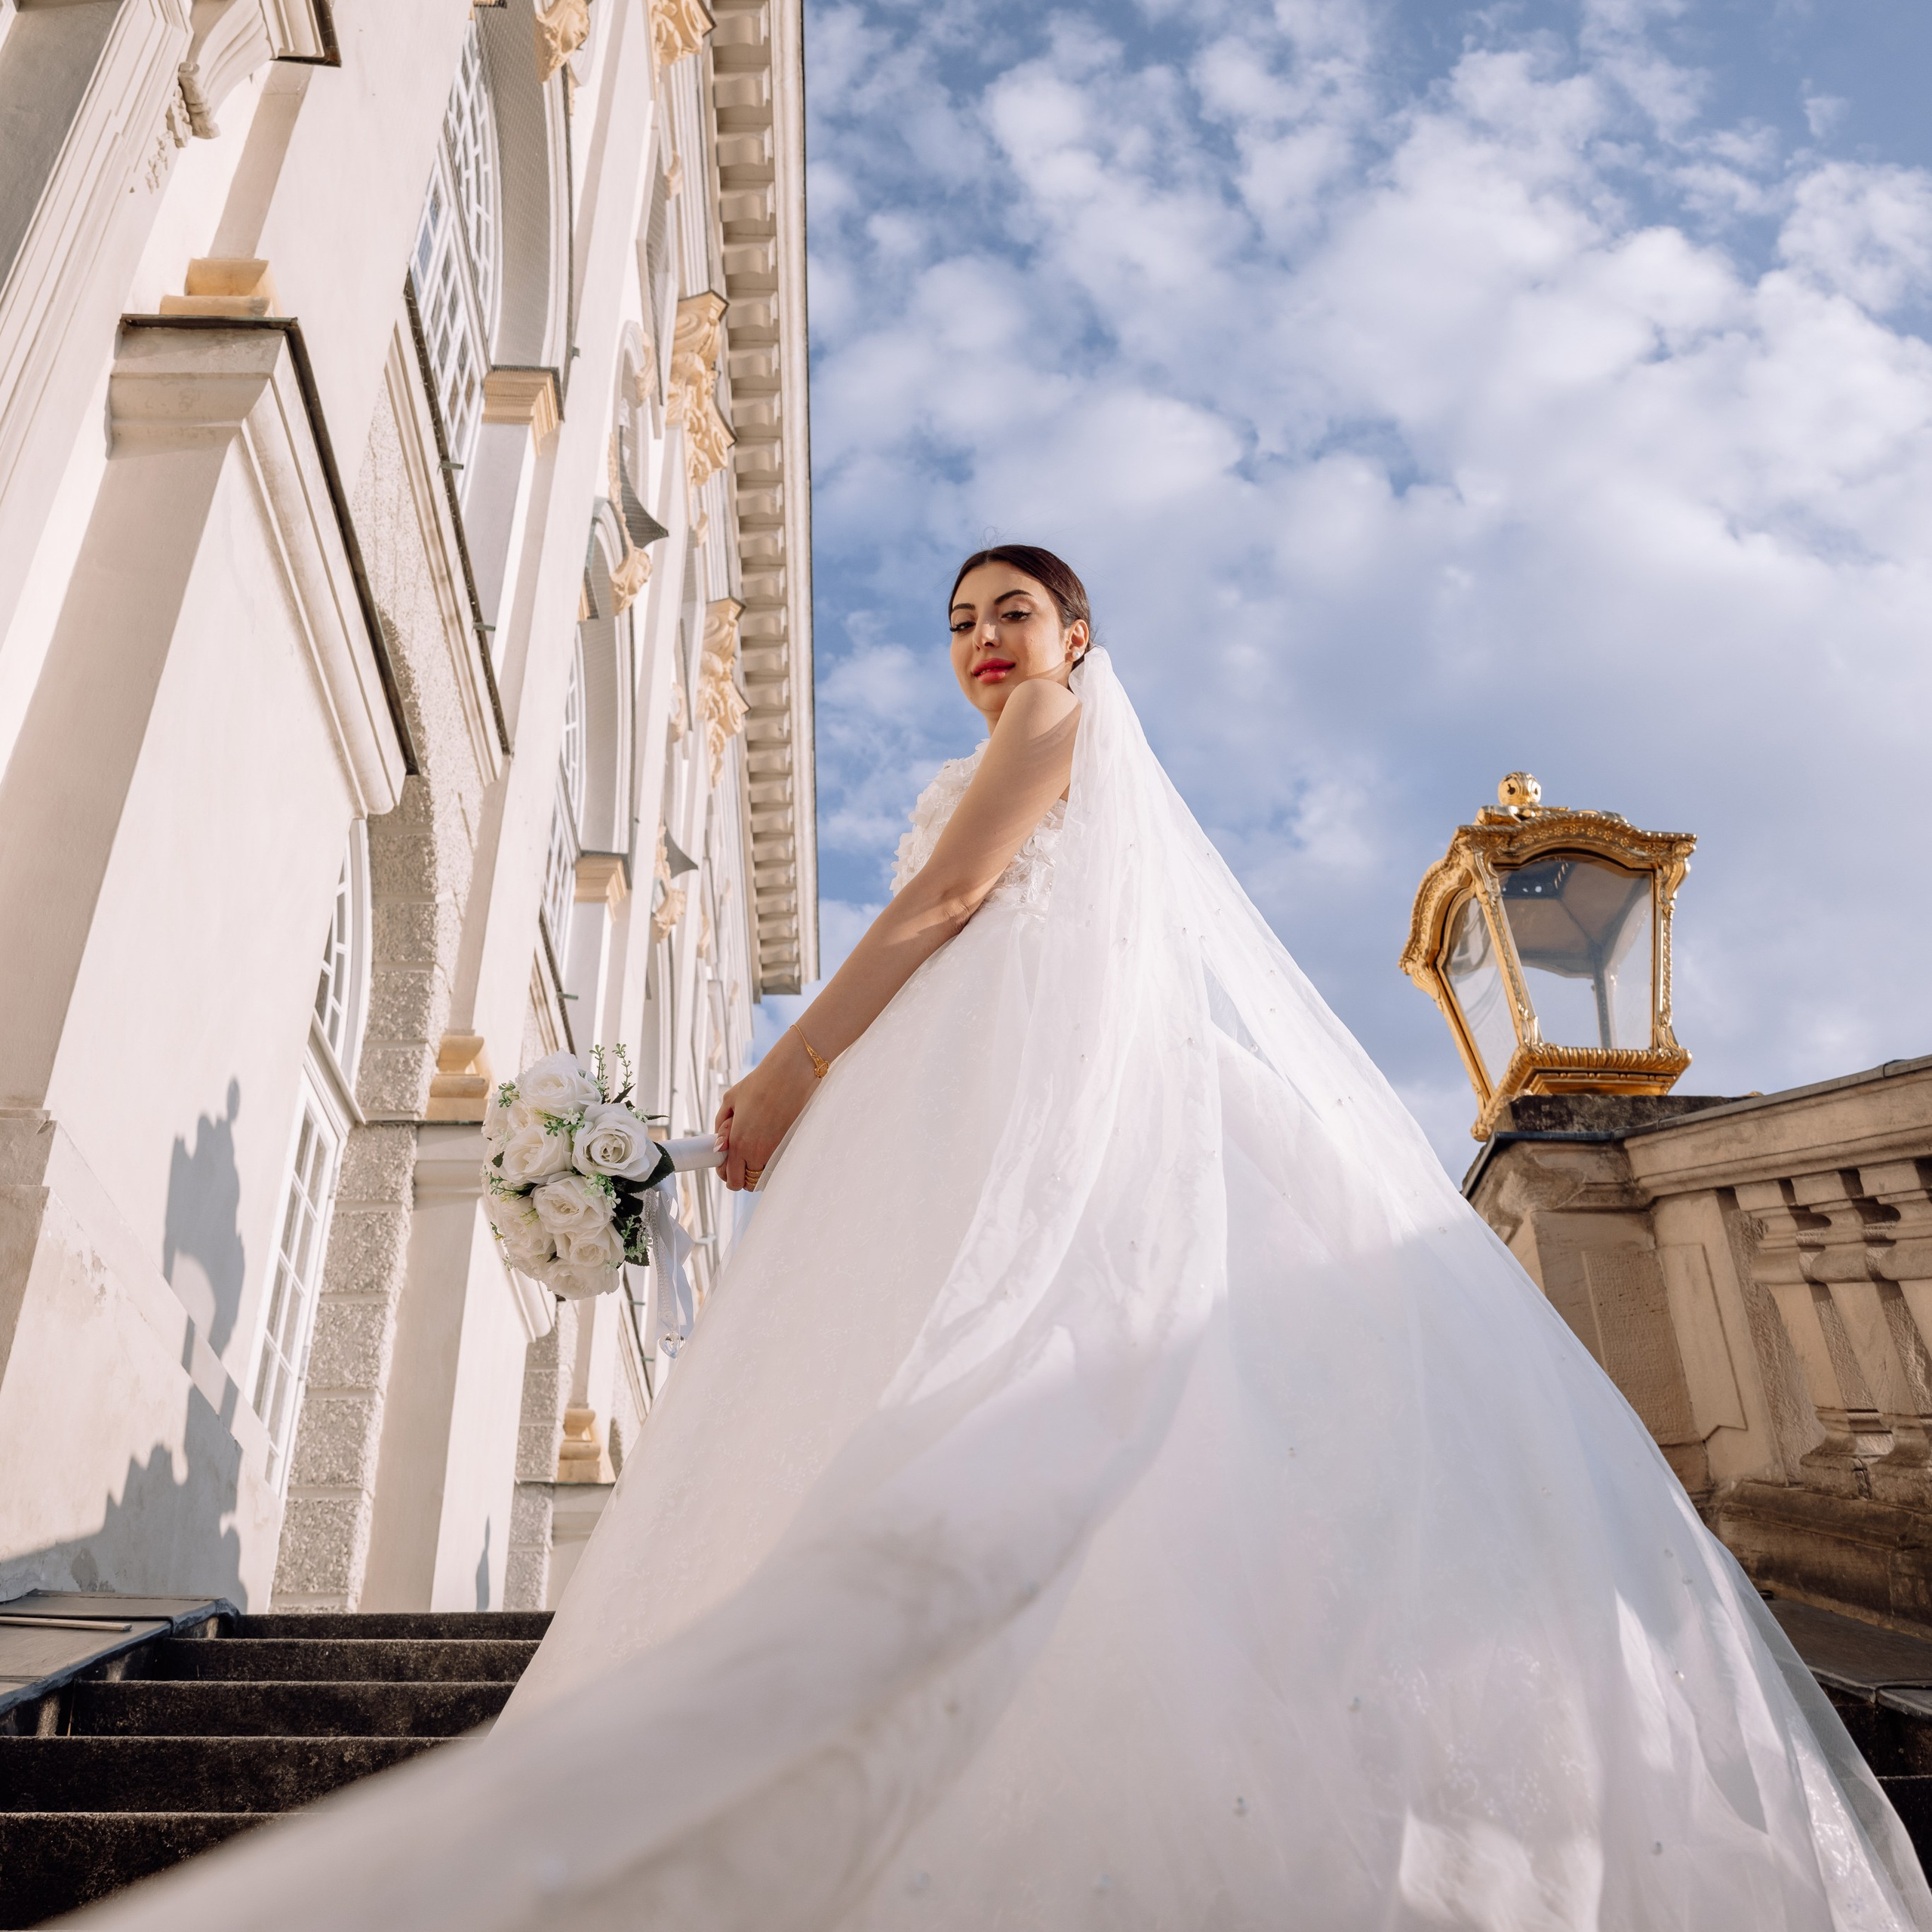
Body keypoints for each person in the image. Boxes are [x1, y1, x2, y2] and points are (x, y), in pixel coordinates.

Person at [91, 547, 1931, 1930]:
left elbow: (957, 895)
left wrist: (780, 1075)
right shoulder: (1027, 731)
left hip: (999, 1093)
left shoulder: (1056, 733)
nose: (984, 640)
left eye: (1014, 610)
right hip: (963, 1094)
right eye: (963, 618)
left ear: (1075, 646)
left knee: (1011, 1404)